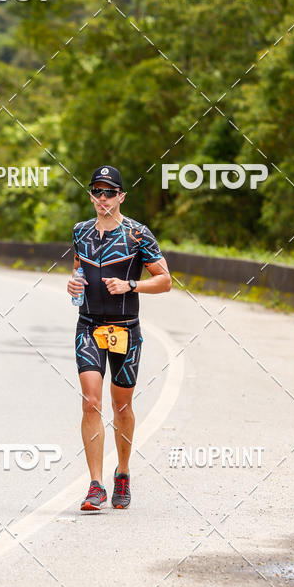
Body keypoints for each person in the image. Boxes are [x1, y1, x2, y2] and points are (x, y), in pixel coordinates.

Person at [67, 166, 171, 511]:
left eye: (109, 192)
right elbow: (79, 271)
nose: (102, 198)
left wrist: (131, 285)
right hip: (89, 327)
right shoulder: (81, 232)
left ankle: (122, 473)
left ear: (121, 197)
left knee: (122, 406)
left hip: (126, 329)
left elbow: (165, 280)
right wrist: (73, 286)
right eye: (96, 191)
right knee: (90, 401)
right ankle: (95, 485)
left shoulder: (139, 235)